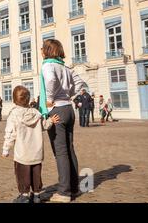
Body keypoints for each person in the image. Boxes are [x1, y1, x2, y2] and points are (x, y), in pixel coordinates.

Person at [39, 39, 87, 203]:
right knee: (70, 149)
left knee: (60, 152)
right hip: (68, 109)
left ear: (47, 51)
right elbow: (80, 82)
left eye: (42, 49)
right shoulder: (65, 67)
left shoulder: (48, 65)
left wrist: (50, 99)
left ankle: (64, 192)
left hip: (57, 109)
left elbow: (51, 80)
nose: (41, 52)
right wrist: (70, 95)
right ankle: (74, 187)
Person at [2, 86, 60, 203]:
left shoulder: (14, 115)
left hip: (22, 153)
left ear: (14, 99)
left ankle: (24, 195)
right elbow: (44, 126)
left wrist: (6, 149)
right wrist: (51, 121)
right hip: (36, 152)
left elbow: (10, 133)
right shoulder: (36, 113)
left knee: (22, 174)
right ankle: (37, 194)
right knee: (36, 174)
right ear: (28, 99)